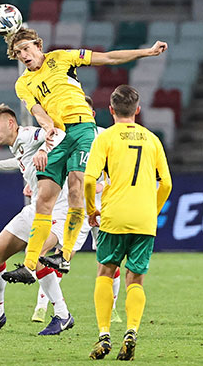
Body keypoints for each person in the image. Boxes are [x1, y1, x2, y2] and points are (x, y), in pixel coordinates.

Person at [1, 27, 168, 283]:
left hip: (82, 129)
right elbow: (37, 111)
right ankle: (30, 264)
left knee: (77, 186)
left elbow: (109, 58)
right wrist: (47, 128)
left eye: (26, 49)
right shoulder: (22, 83)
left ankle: (64, 255)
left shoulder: (62, 58)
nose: (23, 55)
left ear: (37, 45)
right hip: (58, 135)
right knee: (44, 198)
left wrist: (148, 52)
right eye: (17, 52)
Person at [0, 104, 75, 336]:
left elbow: (57, 133)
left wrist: (45, 149)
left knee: (38, 256)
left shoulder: (28, 134)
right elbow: (22, 161)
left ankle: (63, 315)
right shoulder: (19, 145)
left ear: (11, 124)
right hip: (35, 208)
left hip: (57, 208)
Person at [84, 85, 172, 360]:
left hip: (113, 216)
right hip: (144, 219)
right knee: (136, 279)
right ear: (138, 110)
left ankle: (104, 334)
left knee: (105, 272)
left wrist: (90, 210)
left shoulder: (105, 138)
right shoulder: (152, 139)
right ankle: (132, 330)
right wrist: (153, 210)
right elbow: (166, 183)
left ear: (110, 110)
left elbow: (89, 180)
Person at [30, 97, 123, 324]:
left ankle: (111, 308)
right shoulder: (65, 136)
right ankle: (41, 307)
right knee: (60, 256)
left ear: (91, 114)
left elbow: (117, 171)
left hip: (102, 207)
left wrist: (102, 186)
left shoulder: (104, 136)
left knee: (109, 261)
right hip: (77, 207)